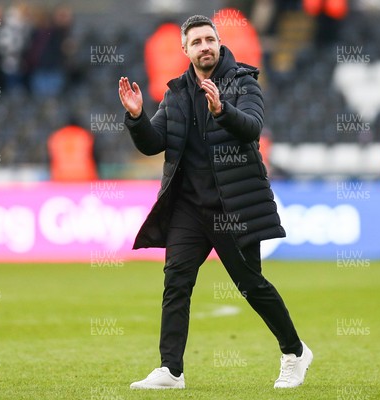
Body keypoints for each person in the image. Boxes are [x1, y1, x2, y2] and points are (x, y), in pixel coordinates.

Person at [118, 15, 312, 390]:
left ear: (219, 42)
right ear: (185, 49)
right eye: (197, 42)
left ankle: (294, 352)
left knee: (251, 285)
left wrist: (223, 110)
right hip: (189, 208)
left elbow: (253, 127)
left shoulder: (242, 81)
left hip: (232, 205)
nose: (205, 46)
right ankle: (171, 370)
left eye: (210, 39)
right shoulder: (175, 93)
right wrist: (137, 116)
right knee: (176, 283)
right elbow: (153, 142)